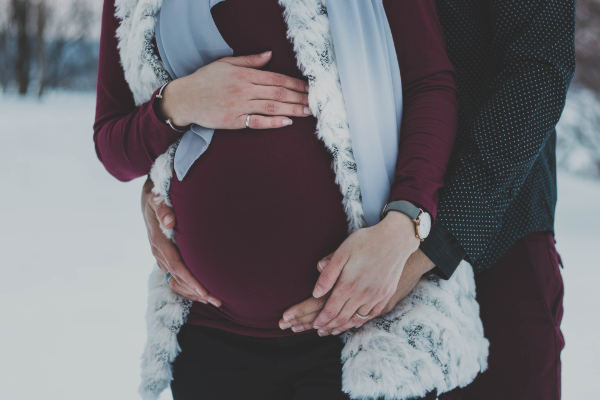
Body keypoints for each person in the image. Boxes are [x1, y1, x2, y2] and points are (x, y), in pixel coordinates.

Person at [144, 0, 576, 399]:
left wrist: (424, 246)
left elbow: (539, 67)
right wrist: (164, 186)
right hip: (327, 249)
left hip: (487, 228)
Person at [94, 0, 458, 398]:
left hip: (364, 332)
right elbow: (113, 148)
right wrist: (179, 102)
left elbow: (429, 85)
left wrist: (403, 225)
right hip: (210, 335)